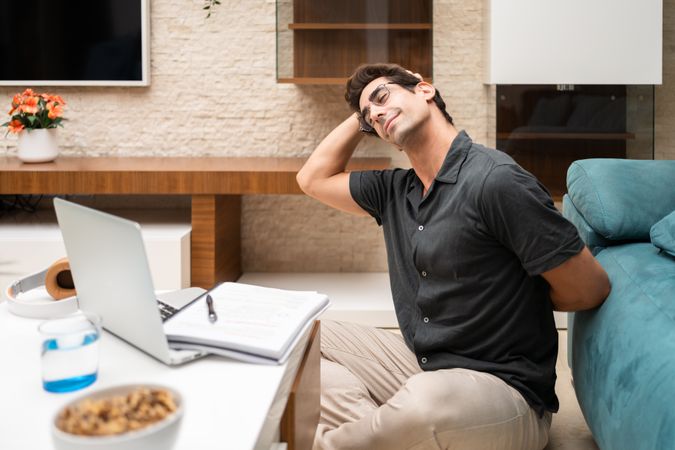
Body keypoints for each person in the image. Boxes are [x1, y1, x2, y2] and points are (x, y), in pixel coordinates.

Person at [296, 63, 611, 450]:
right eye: (369, 118)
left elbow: (589, 289)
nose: (376, 113)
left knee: (428, 402)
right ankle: (386, 437)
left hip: (504, 391)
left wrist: (516, 295)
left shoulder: (495, 180)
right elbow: (312, 179)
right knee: (304, 336)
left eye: (383, 96)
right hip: (422, 364)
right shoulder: (394, 192)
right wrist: (365, 112)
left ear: (424, 90)